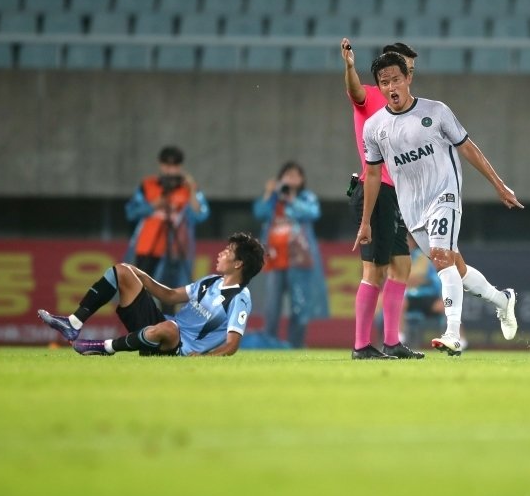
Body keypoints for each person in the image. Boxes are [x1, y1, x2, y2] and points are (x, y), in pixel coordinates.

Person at [355, 52, 523, 357]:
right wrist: (366, 221)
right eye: (384, 82)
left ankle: (452, 333)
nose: (391, 86)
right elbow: (374, 175)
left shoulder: (437, 111)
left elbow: (468, 148)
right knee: (454, 267)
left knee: (441, 256)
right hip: (412, 209)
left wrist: (498, 185)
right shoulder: (375, 127)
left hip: (444, 195)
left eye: (395, 79)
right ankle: (503, 300)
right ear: (378, 87)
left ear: (408, 78)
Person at [38, 232, 265, 357]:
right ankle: (74, 322)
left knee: (169, 328)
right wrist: (140, 275)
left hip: (177, 348)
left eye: (228, 252)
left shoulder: (240, 297)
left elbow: (232, 345)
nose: (221, 253)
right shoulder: (210, 282)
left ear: (239, 264)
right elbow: (168, 296)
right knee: (121, 271)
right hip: (160, 330)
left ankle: (104, 347)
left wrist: (205, 359)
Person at [341, 38, 423, 360]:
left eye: (411, 71)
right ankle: (361, 346)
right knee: (373, 270)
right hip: (376, 191)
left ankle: (391, 342)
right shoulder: (372, 95)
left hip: (398, 194)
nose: (409, 75)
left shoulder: (405, 106)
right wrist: (349, 67)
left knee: (401, 266)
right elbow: (354, 92)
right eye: (406, 68)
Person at [252, 161, 330, 348]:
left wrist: (292, 199)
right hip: (275, 259)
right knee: (272, 305)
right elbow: (259, 212)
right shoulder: (273, 198)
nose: (292, 179)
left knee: (299, 304)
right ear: (281, 178)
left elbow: (313, 213)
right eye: (288, 175)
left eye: (296, 175)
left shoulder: (306, 197)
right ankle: (269, 343)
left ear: (302, 179)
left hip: (299, 260)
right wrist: (269, 193)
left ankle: (296, 344)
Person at [124, 145, 210, 289]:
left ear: (180, 166)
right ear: (160, 165)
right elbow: (130, 212)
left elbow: (201, 215)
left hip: (176, 250)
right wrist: (153, 205)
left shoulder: (188, 187)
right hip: (147, 248)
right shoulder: (148, 185)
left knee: (171, 294)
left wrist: (192, 191)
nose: (170, 170)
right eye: (167, 165)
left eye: (175, 165)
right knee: (140, 291)